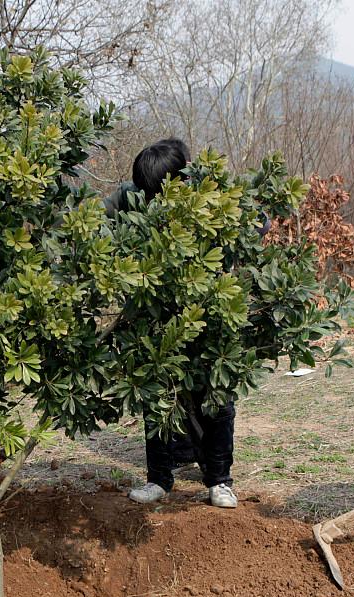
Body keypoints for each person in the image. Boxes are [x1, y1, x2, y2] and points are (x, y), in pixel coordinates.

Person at [111, 138, 238, 509]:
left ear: (180, 180)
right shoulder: (132, 196)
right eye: (146, 193)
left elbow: (252, 225)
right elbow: (98, 217)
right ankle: (159, 479)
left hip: (208, 315)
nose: (152, 201)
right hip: (156, 317)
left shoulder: (212, 199)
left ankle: (219, 481)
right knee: (157, 397)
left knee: (216, 400)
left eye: (158, 192)